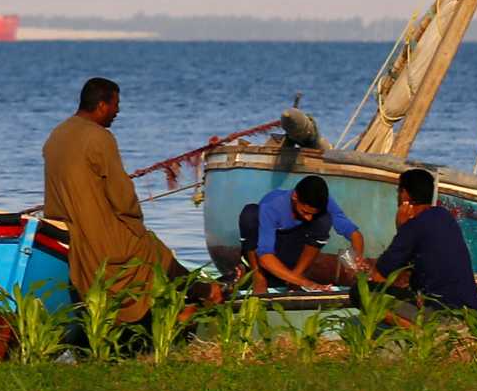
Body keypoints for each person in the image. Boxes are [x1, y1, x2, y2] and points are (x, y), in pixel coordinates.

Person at [42, 77, 221, 325]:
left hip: (68, 229)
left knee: (147, 247)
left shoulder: (56, 135)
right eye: (116, 104)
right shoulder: (100, 137)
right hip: (98, 237)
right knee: (152, 249)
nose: (118, 111)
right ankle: (202, 295)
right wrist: (135, 224)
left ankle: (188, 300)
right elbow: (123, 198)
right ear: (102, 105)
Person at [364, 168, 477, 312]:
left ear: (405, 195)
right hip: (471, 307)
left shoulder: (413, 226)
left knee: (362, 292)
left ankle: (418, 329)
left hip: (443, 310)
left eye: (399, 191)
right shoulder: (444, 216)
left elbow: (380, 274)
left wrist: (402, 228)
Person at [239, 176, 364, 293]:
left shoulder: (323, 202)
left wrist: (356, 260)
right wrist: (307, 283)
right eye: (304, 212)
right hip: (266, 255)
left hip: (292, 253)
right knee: (250, 213)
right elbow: (265, 257)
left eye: (312, 213)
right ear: (295, 197)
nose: (309, 218)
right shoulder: (272, 206)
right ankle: (258, 277)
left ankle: (295, 276)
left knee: (323, 220)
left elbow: (354, 234)